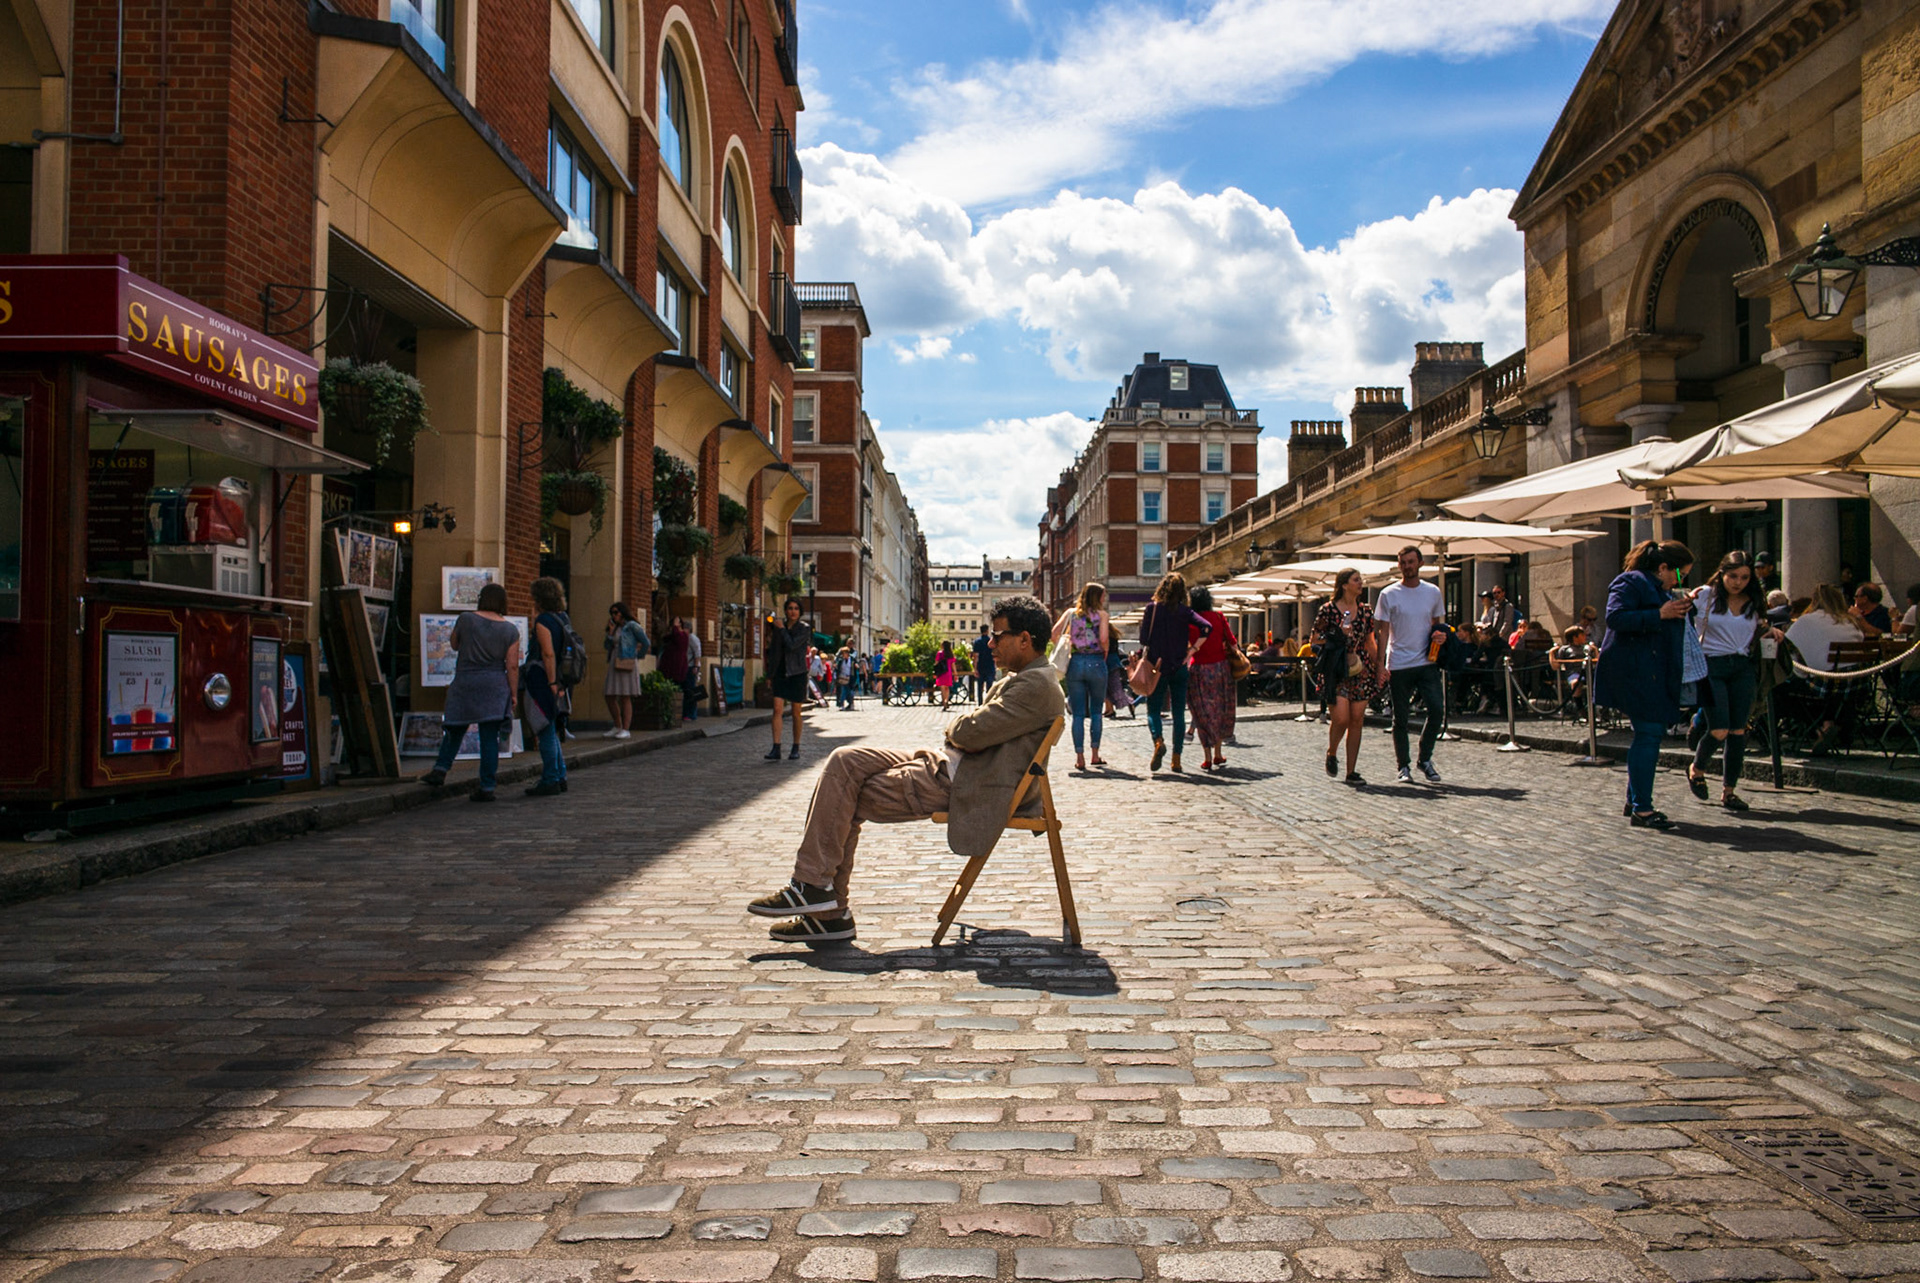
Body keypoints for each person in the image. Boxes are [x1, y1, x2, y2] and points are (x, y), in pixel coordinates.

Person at [744, 595, 1066, 944]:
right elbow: (971, 731)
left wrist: (960, 728)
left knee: (844, 794)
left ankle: (822, 903)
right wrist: (962, 729)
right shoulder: (1024, 678)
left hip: (964, 781)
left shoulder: (1036, 686)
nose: (989, 643)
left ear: (1024, 639)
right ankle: (816, 894)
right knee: (844, 759)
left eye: (998, 635)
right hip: (948, 763)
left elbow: (969, 731)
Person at [1595, 539, 1694, 831]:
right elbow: (1615, 617)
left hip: (1653, 670)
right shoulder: (1630, 581)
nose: (1682, 580)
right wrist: (1659, 614)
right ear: (1663, 567)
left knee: (1650, 733)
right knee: (1649, 733)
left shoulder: (1660, 588)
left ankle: (1635, 799)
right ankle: (1642, 808)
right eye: (1681, 574)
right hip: (1635, 672)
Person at [1685, 551, 1780, 811]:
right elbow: (1684, 616)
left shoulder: (1755, 601)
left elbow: (1759, 626)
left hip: (1742, 666)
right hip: (1711, 665)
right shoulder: (1706, 594)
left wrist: (1770, 630)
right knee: (1719, 730)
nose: (1738, 582)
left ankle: (1729, 792)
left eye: (1745, 577)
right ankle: (1697, 768)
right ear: (1722, 574)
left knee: (1738, 731)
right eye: (1733, 576)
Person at [420, 582, 519, 802]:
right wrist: (513, 694)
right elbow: (511, 665)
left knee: (455, 728)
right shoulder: (510, 630)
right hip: (494, 683)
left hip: (466, 680)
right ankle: (487, 786)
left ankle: (441, 768)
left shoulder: (466, 619)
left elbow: (454, 645)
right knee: (489, 737)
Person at [1375, 545, 1447, 784]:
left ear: (1420, 564)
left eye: (1411, 562)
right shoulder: (1388, 594)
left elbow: (1437, 625)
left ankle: (1424, 758)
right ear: (1399, 566)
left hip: (1427, 661)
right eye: (1403, 562)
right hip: (1399, 663)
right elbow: (1383, 633)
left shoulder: (1433, 592)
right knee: (1401, 719)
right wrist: (1381, 664)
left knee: (1437, 710)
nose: (1407, 566)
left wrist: (1441, 636)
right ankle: (1403, 765)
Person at [1313, 567, 1380, 784]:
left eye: (1361, 579)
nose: (1360, 583)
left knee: (1357, 720)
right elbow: (1315, 639)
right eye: (1356, 580)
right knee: (1341, 718)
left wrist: (1380, 666)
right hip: (1336, 668)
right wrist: (1337, 634)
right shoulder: (1328, 609)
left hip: (1360, 668)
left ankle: (1351, 771)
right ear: (1344, 585)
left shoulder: (1366, 611)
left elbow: (1370, 641)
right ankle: (1332, 752)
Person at [1139, 572, 1210, 774]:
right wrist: (1192, 650)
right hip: (1179, 667)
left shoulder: (1152, 609)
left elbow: (1144, 639)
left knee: (1153, 709)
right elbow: (1206, 627)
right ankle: (1176, 760)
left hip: (1156, 667)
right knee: (1179, 713)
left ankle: (1158, 741)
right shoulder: (1185, 611)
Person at [1787, 583, 1869, 754]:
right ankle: (1829, 724)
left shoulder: (1806, 620)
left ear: (1815, 601)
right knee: (1828, 685)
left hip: (1823, 685)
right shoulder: (1851, 622)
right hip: (1854, 685)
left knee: (1781, 689)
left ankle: (1816, 728)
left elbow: (1786, 644)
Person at [1049, 582, 1110, 771]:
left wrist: (1069, 642)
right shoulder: (1102, 615)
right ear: (1097, 597)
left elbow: (1053, 634)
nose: (1104, 599)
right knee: (1096, 711)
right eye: (1103, 595)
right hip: (1097, 662)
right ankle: (1095, 755)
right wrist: (1104, 652)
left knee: (1077, 714)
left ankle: (1079, 757)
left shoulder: (1070, 614)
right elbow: (1104, 639)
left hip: (1075, 662)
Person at [524, 576, 573, 797]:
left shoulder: (543, 621)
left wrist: (552, 681)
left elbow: (548, 653)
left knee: (544, 727)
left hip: (543, 680)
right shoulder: (563, 618)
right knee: (551, 728)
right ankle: (559, 775)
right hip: (558, 679)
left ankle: (551, 778)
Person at [1185, 585, 1238, 772]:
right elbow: (1232, 642)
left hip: (1198, 669)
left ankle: (1207, 757)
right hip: (1220, 668)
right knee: (1219, 710)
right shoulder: (1219, 617)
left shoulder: (1190, 620)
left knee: (1201, 713)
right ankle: (1217, 753)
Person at [766, 599, 810, 760]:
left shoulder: (804, 628)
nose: (793, 611)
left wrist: (782, 629)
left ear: (800, 611)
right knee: (777, 709)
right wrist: (770, 674)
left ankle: (795, 747)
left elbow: (792, 645)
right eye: (790, 608)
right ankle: (776, 747)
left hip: (797, 673)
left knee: (796, 712)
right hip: (780, 672)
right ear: (785, 610)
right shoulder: (778, 627)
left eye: (796, 608)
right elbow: (774, 652)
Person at [601, 601, 648, 738]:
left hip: (626, 662)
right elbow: (606, 646)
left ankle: (626, 729)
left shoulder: (632, 626)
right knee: (609, 695)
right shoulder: (614, 628)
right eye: (612, 613)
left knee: (625, 696)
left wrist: (637, 656)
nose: (614, 616)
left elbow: (645, 642)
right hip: (614, 662)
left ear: (622, 612)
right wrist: (610, 633)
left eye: (616, 612)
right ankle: (617, 725)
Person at [971, 625, 996, 704]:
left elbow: (976, 656)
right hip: (990, 667)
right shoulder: (991, 641)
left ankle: (980, 704)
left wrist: (975, 668)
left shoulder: (977, 642)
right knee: (990, 688)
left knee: (979, 688)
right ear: (987, 631)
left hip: (980, 667)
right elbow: (995, 654)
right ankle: (988, 703)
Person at [934, 640, 957, 711]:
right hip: (948, 673)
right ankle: (947, 700)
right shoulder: (950, 654)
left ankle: (944, 702)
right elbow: (953, 665)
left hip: (941, 672)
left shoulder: (939, 653)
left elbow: (936, 663)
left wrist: (935, 672)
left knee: (942, 688)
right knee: (947, 688)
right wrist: (955, 674)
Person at [834, 647, 856, 711]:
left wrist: (856, 666)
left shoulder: (852, 660)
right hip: (842, 678)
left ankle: (851, 704)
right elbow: (838, 668)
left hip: (850, 678)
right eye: (842, 653)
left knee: (850, 692)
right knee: (843, 691)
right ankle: (842, 705)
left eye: (844, 653)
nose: (843, 655)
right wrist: (836, 667)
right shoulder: (841, 660)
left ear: (847, 653)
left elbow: (856, 665)